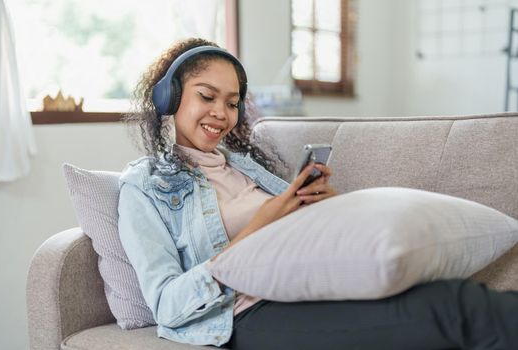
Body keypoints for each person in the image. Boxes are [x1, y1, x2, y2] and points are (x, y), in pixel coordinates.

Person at [118, 37, 518, 350]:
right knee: (451, 309)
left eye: (232, 103)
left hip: (311, 284)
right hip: (248, 315)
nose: (221, 114)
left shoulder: (244, 166)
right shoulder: (143, 188)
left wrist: (324, 208)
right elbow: (167, 305)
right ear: (168, 97)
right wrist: (263, 222)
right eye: (207, 96)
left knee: (446, 296)